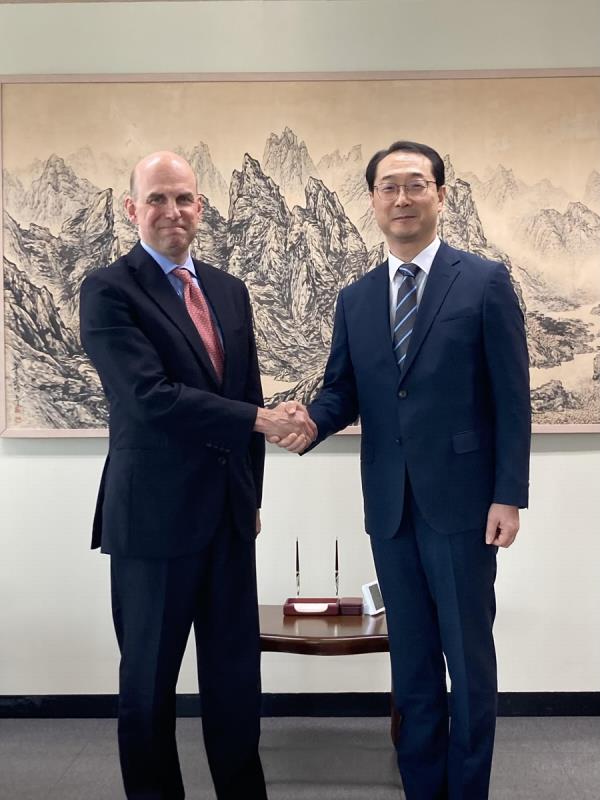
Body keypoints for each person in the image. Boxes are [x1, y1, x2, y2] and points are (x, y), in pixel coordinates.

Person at [273, 141, 531, 799]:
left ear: (441, 195)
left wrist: (509, 494)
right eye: (389, 186)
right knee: (412, 662)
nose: (403, 197)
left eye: (417, 184)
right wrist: (307, 424)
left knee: (469, 663)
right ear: (373, 202)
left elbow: (511, 397)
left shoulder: (484, 281)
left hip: (466, 506)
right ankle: (422, 786)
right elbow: (342, 391)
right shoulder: (356, 298)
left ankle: (468, 788)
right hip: (389, 507)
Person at [79, 151, 315, 800]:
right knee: (149, 688)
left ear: (200, 208)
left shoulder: (228, 289)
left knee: (237, 682)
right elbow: (148, 398)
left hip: (228, 518)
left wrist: (253, 493)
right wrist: (263, 421)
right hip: (152, 521)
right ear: (132, 209)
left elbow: (247, 392)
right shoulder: (108, 288)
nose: (171, 211)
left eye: (183, 198)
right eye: (156, 199)